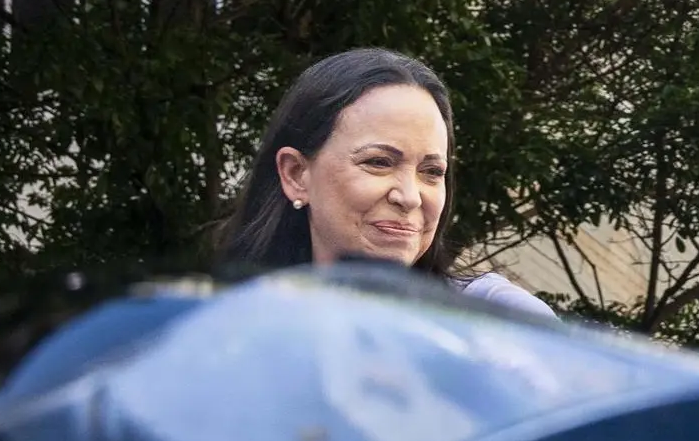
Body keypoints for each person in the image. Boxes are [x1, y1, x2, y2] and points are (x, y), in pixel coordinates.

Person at [216, 47, 554, 318]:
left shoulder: (499, 321)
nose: (409, 197)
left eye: (432, 172)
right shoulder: (223, 328)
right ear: (295, 174)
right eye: (379, 162)